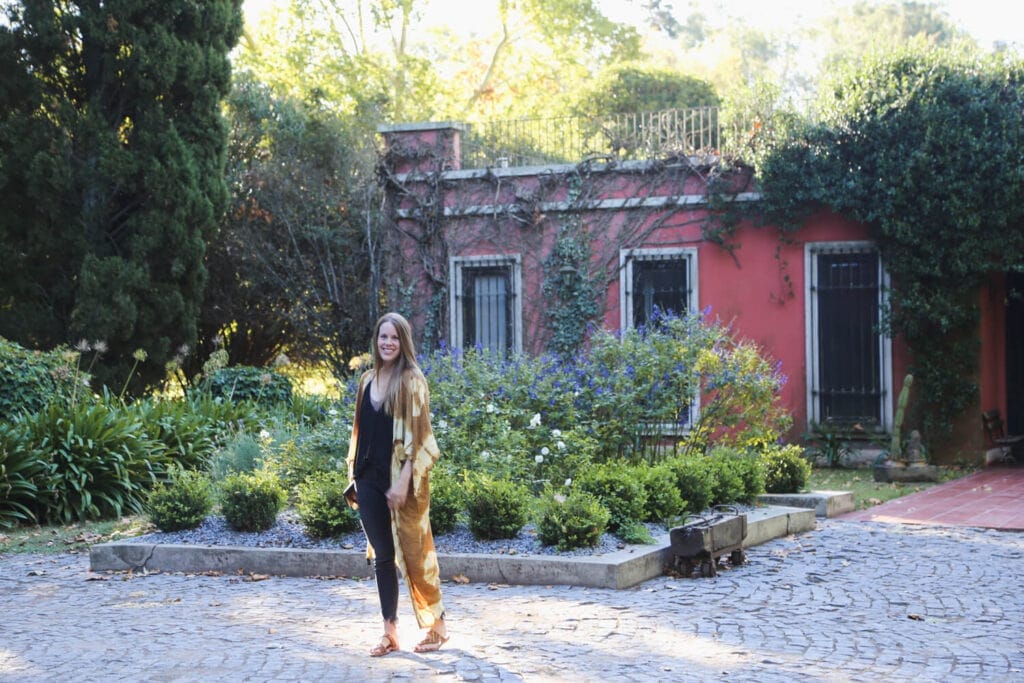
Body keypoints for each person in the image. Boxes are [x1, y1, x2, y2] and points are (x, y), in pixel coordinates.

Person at [346, 312, 449, 657]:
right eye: (382, 337)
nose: (387, 343)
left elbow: (422, 440)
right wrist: (353, 478)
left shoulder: (412, 381)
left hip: (401, 483)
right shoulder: (366, 381)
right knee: (383, 559)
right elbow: (358, 434)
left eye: (393, 338)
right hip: (368, 480)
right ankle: (390, 632)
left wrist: (404, 483)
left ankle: (436, 627)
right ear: (376, 342)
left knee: (416, 553)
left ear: (403, 342)